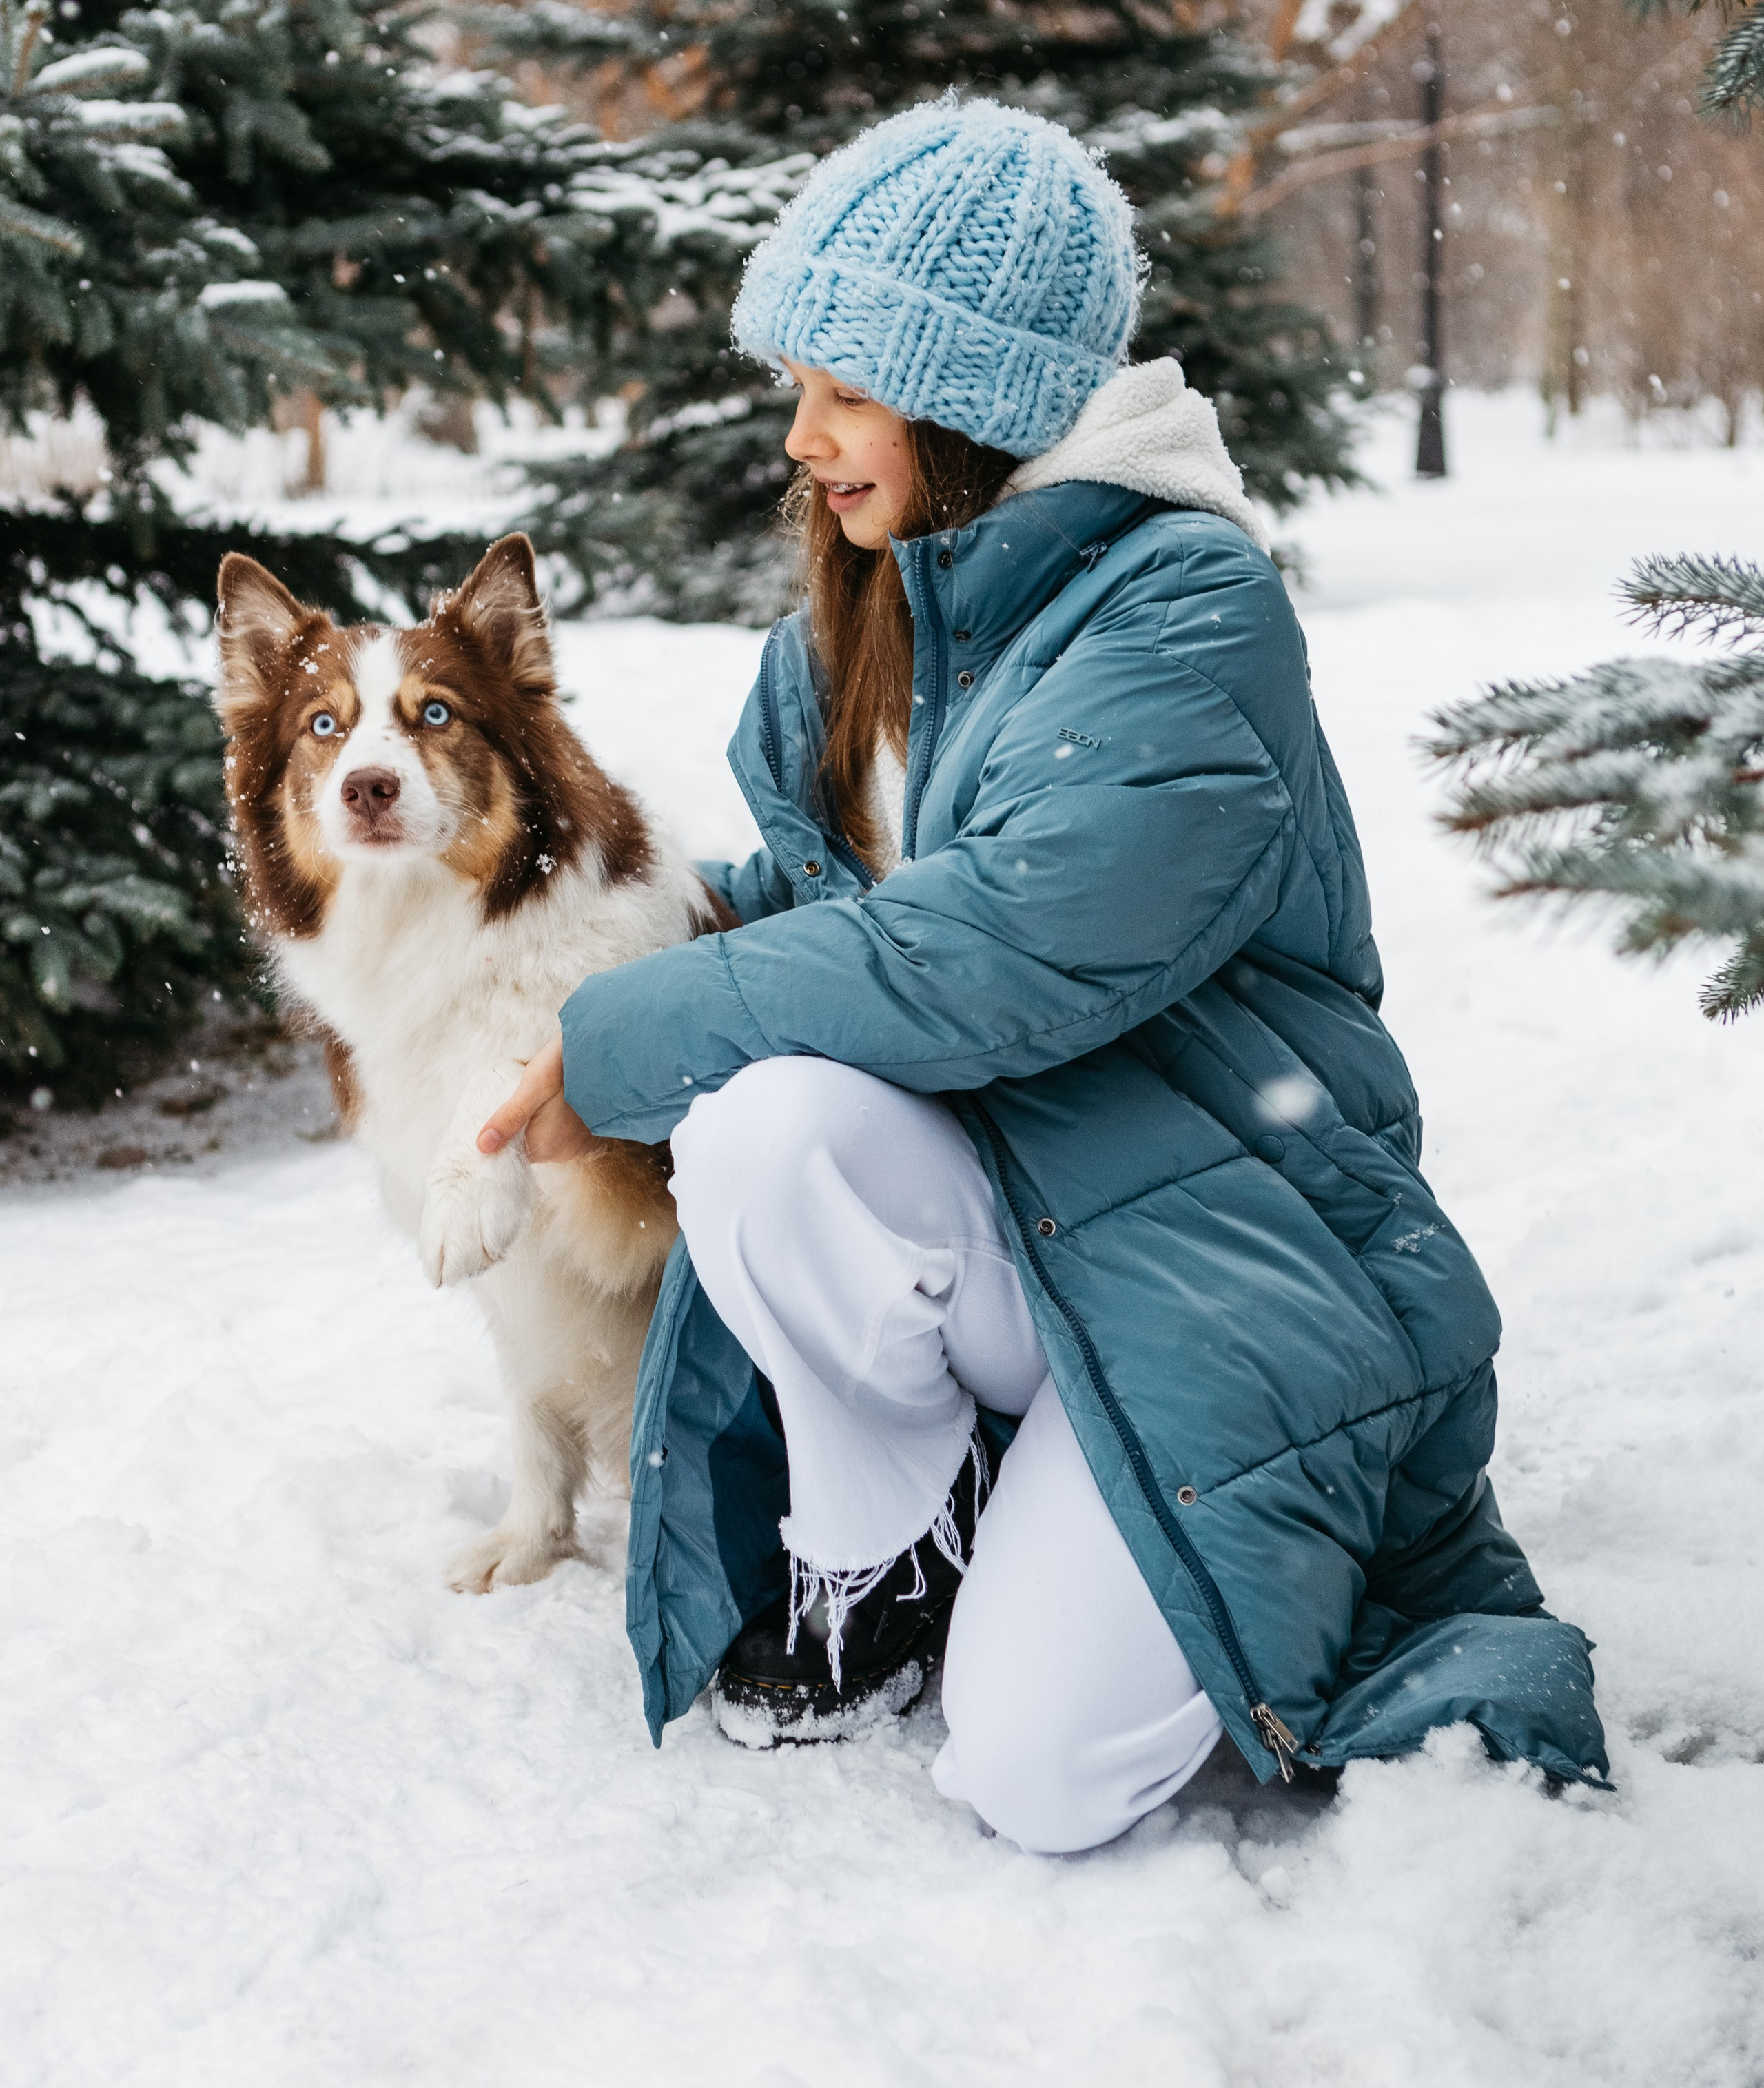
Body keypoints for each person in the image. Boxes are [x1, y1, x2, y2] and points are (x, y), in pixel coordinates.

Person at [479, 97, 1607, 1855]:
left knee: (1041, 1773)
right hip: (1005, 1233)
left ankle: (1049, 1504)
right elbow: (804, 911)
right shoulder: (847, 634)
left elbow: (994, 952)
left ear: (973, 394)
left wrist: (618, 1033)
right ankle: (883, 1548)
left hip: (1221, 1244)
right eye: (799, 388)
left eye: (842, 392)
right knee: (768, 1128)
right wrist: (574, 951)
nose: (801, 439)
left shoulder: (1183, 611)